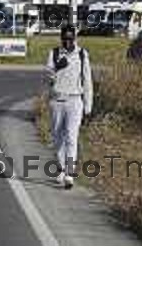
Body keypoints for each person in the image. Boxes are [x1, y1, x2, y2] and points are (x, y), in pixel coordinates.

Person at [45, 24, 93, 190]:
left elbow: (87, 81)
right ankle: (60, 168)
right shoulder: (54, 53)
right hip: (57, 99)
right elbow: (48, 77)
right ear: (61, 38)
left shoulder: (82, 54)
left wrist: (88, 106)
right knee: (58, 137)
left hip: (75, 100)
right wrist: (58, 67)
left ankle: (69, 173)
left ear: (75, 38)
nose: (67, 42)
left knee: (72, 137)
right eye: (64, 38)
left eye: (70, 38)